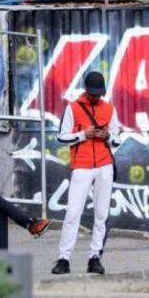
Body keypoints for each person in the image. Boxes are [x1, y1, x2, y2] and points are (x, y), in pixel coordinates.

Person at [52, 71, 122, 275]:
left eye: (99, 94)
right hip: (81, 165)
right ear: (86, 90)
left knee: (101, 215)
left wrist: (107, 136)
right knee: (73, 213)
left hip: (104, 165)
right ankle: (63, 259)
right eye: (93, 93)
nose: (96, 97)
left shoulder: (109, 109)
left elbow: (117, 140)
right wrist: (83, 134)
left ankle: (95, 257)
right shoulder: (73, 108)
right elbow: (61, 137)